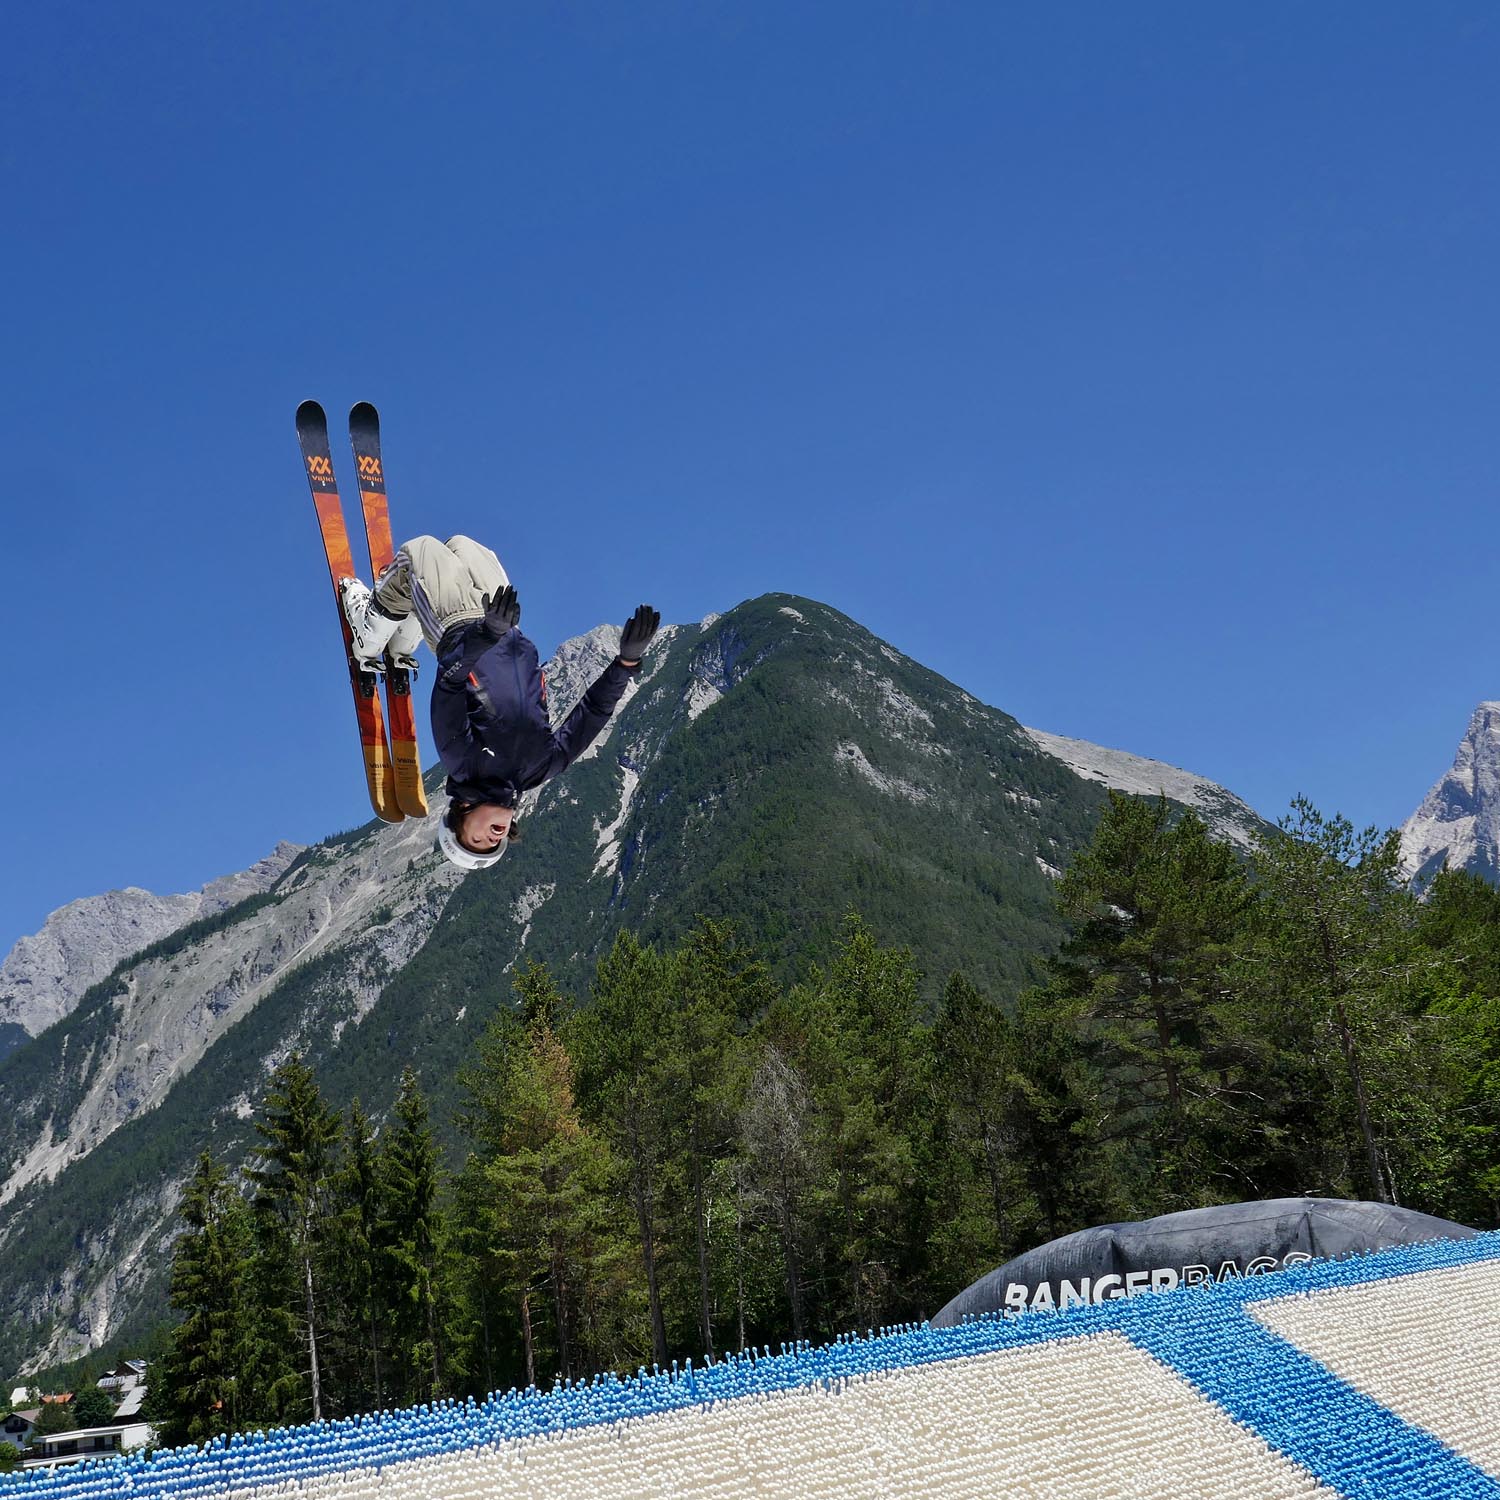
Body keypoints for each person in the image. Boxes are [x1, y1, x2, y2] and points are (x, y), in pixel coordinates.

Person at [337, 534, 660, 870]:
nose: (492, 839)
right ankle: (403, 628)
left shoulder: (464, 763)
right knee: (462, 543)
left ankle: (370, 625)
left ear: (460, 815)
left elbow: (450, 683)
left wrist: (485, 636)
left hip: (456, 624)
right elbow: (593, 712)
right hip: (507, 625)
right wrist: (625, 664)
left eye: (475, 841)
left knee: (418, 551)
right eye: (494, 845)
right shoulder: (542, 768)